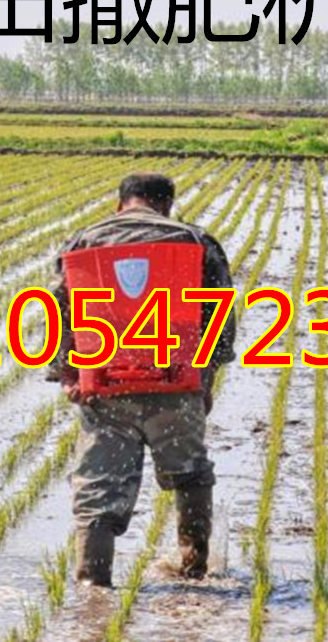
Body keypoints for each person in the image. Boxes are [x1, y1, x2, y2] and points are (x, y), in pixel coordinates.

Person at [47, 172, 236, 587]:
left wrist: (66, 374)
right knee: (190, 474)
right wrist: (205, 381)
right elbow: (219, 320)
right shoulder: (196, 242)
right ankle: (195, 570)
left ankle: (93, 587)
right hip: (176, 383)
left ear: (121, 204)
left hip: (105, 387)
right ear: (166, 206)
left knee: (98, 488)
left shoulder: (82, 243)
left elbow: (59, 309)